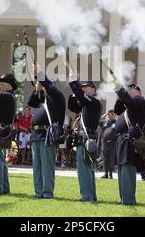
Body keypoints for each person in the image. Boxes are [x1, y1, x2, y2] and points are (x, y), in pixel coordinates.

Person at [27, 64, 65, 199]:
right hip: (36, 135)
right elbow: (30, 102)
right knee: (37, 166)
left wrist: (39, 74)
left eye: (45, 86)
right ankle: (39, 192)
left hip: (47, 135)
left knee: (47, 167)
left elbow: (50, 87)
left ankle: (47, 192)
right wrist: (36, 90)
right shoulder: (41, 100)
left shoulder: (57, 98)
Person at [113, 83, 145, 205]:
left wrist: (121, 91)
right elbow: (117, 109)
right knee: (121, 171)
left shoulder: (140, 101)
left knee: (128, 171)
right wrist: (120, 94)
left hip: (130, 141)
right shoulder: (129, 106)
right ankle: (123, 198)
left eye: (131, 90)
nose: (129, 92)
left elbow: (130, 102)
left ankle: (128, 200)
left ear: (137, 92)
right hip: (122, 140)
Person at [68, 71, 101, 203]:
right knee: (88, 168)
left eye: (86, 86)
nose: (84, 89)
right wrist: (76, 89)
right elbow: (72, 105)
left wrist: (73, 81)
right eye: (83, 87)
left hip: (86, 137)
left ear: (93, 89)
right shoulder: (87, 102)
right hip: (86, 137)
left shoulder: (93, 101)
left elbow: (81, 97)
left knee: (84, 169)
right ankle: (91, 195)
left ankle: (87, 196)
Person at [99, 110, 117, 179]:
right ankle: (105, 173)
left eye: (112, 114)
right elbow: (98, 121)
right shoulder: (105, 123)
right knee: (105, 159)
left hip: (113, 143)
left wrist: (116, 116)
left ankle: (110, 174)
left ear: (114, 115)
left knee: (111, 159)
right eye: (109, 114)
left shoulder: (116, 123)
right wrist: (105, 114)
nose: (110, 115)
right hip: (105, 143)